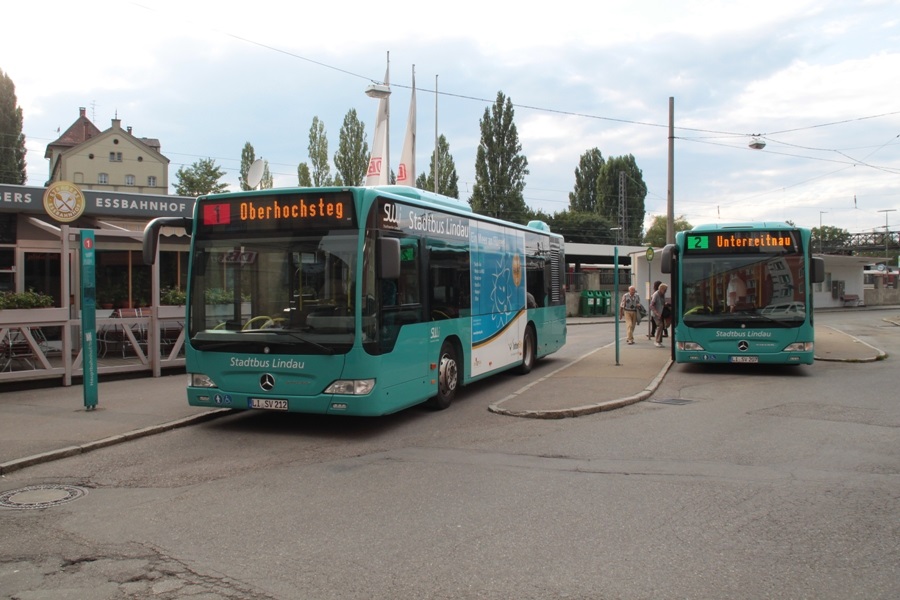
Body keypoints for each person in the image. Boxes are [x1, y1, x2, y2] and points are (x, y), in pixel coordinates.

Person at [649, 283, 668, 347]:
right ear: (661, 289)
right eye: (665, 290)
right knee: (660, 325)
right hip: (656, 314)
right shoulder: (656, 295)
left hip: (661, 312)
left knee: (662, 326)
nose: (665, 291)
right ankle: (657, 341)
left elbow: (662, 303)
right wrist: (657, 313)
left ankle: (659, 341)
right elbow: (651, 305)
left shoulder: (662, 294)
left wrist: (665, 304)